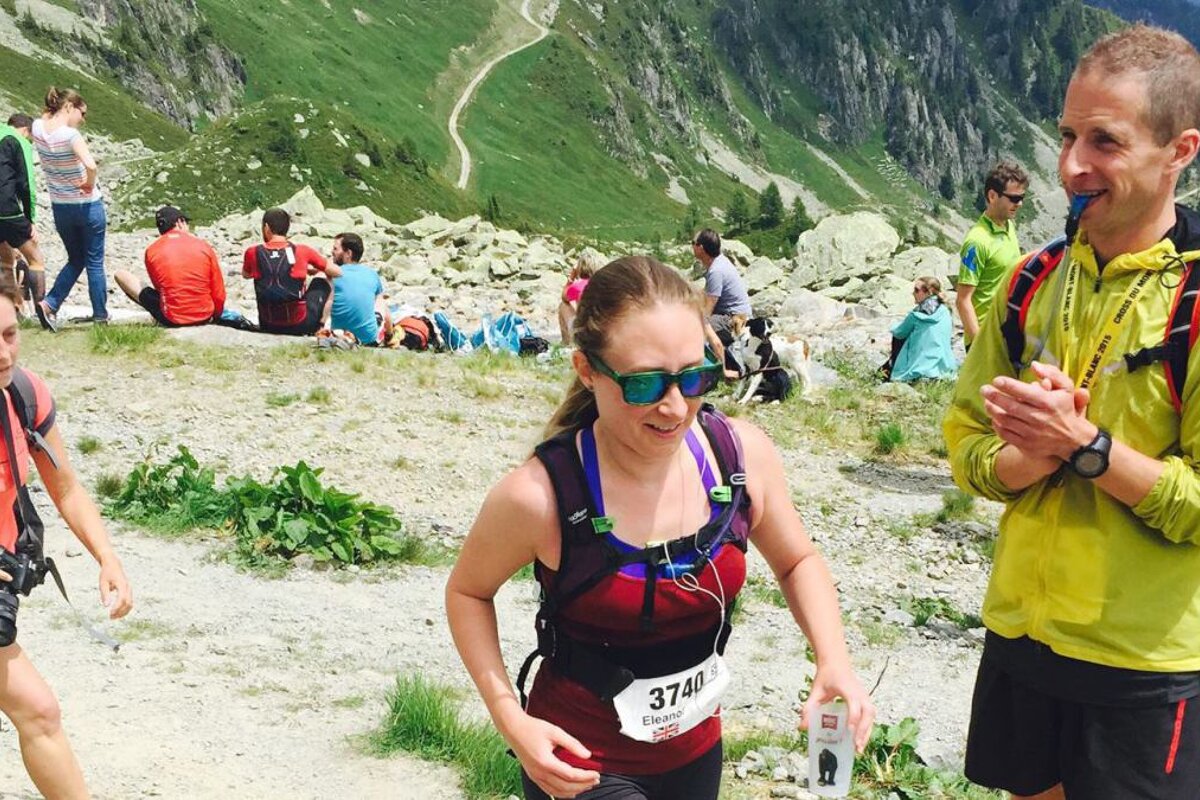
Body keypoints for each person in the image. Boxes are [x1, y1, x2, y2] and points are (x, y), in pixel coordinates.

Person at [446, 256, 873, 800]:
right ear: (588, 370)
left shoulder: (739, 456)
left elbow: (797, 561)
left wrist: (833, 660)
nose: (676, 408)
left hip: (695, 752)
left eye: (696, 377)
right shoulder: (540, 496)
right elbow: (466, 591)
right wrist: (512, 721)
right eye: (647, 385)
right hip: (581, 763)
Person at [944, 24, 1200, 800]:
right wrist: (1025, 460)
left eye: (1104, 142)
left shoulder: (1191, 302)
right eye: (1065, 134)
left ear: (1180, 152)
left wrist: (1087, 448)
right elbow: (964, 439)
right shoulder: (1032, 277)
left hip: (1142, 662)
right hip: (1023, 632)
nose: (1070, 166)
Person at [0, 268, 132, 797]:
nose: (4, 353)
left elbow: (67, 488)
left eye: (9, 334)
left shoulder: (24, 395)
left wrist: (108, 558)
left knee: (39, 713)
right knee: (39, 710)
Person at [31, 88, 108, 331]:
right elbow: (90, 165)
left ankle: (50, 303)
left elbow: (44, 117)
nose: (82, 119)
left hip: (60, 207)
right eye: (81, 113)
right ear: (69, 107)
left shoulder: (37, 128)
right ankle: (100, 317)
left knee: (76, 258)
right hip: (87, 206)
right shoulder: (71, 135)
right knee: (94, 261)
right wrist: (88, 182)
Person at [956, 161, 1028, 349]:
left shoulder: (1009, 226)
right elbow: (963, 300)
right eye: (1013, 198)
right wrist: (980, 344)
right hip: (985, 337)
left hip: (1007, 330)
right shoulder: (977, 242)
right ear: (992, 196)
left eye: (1022, 197)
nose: (1019, 204)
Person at [114, 206, 225, 327]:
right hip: (205, 315)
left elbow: (160, 288)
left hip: (172, 319)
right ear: (180, 222)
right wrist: (216, 315)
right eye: (187, 223)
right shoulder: (203, 246)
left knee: (120, 275)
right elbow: (218, 291)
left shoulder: (152, 250)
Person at [242, 207, 340, 336]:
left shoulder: (252, 252)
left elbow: (246, 274)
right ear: (287, 228)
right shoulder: (302, 250)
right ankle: (319, 326)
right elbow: (337, 272)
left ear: (266, 227)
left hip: (267, 324)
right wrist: (312, 269)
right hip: (299, 325)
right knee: (322, 280)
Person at [0, 113, 45, 316]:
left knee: (6, 262)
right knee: (35, 259)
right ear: (27, 130)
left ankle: (14, 310)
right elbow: (27, 185)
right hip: (8, 209)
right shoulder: (19, 140)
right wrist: (30, 219)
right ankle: (42, 311)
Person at [880, 277, 956, 382]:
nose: (913, 293)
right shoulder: (945, 310)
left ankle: (894, 369)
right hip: (946, 368)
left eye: (916, 290)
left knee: (898, 337)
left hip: (921, 368)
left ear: (928, 293)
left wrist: (892, 326)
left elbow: (899, 332)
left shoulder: (916, 315)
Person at [329, 232, 389, 345]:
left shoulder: (333, 274)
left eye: (335, 249)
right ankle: (390, 336)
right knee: (381, 301)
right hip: (368, 338)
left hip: (338, 334)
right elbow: (382, 307)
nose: (332, 252)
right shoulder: (372, 274)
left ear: (348, 253)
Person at [557, 251, 602, 344]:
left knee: (563, 306)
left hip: (583, 331)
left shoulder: (577, 286)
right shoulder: (602, 284)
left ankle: (566, 342)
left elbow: (564, 297)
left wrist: (571, 278)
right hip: (599, 329)